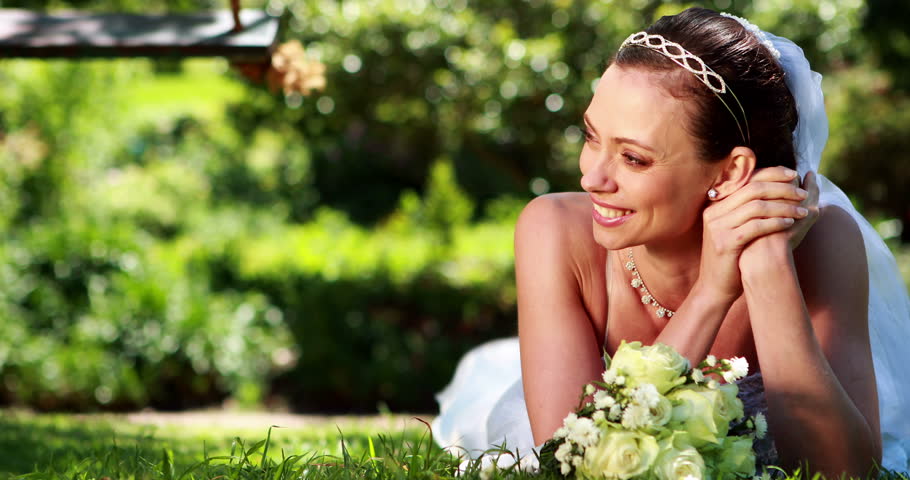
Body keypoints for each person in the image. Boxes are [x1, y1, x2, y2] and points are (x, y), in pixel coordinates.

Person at [432, 7, 910, 477]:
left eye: (634, 159)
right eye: (591, 136)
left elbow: (844, 471)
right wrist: (712, 291)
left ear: (730, 172)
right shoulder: (554, 231)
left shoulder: (822, 242)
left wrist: (766, 265)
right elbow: (572, 461)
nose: (592, 176)